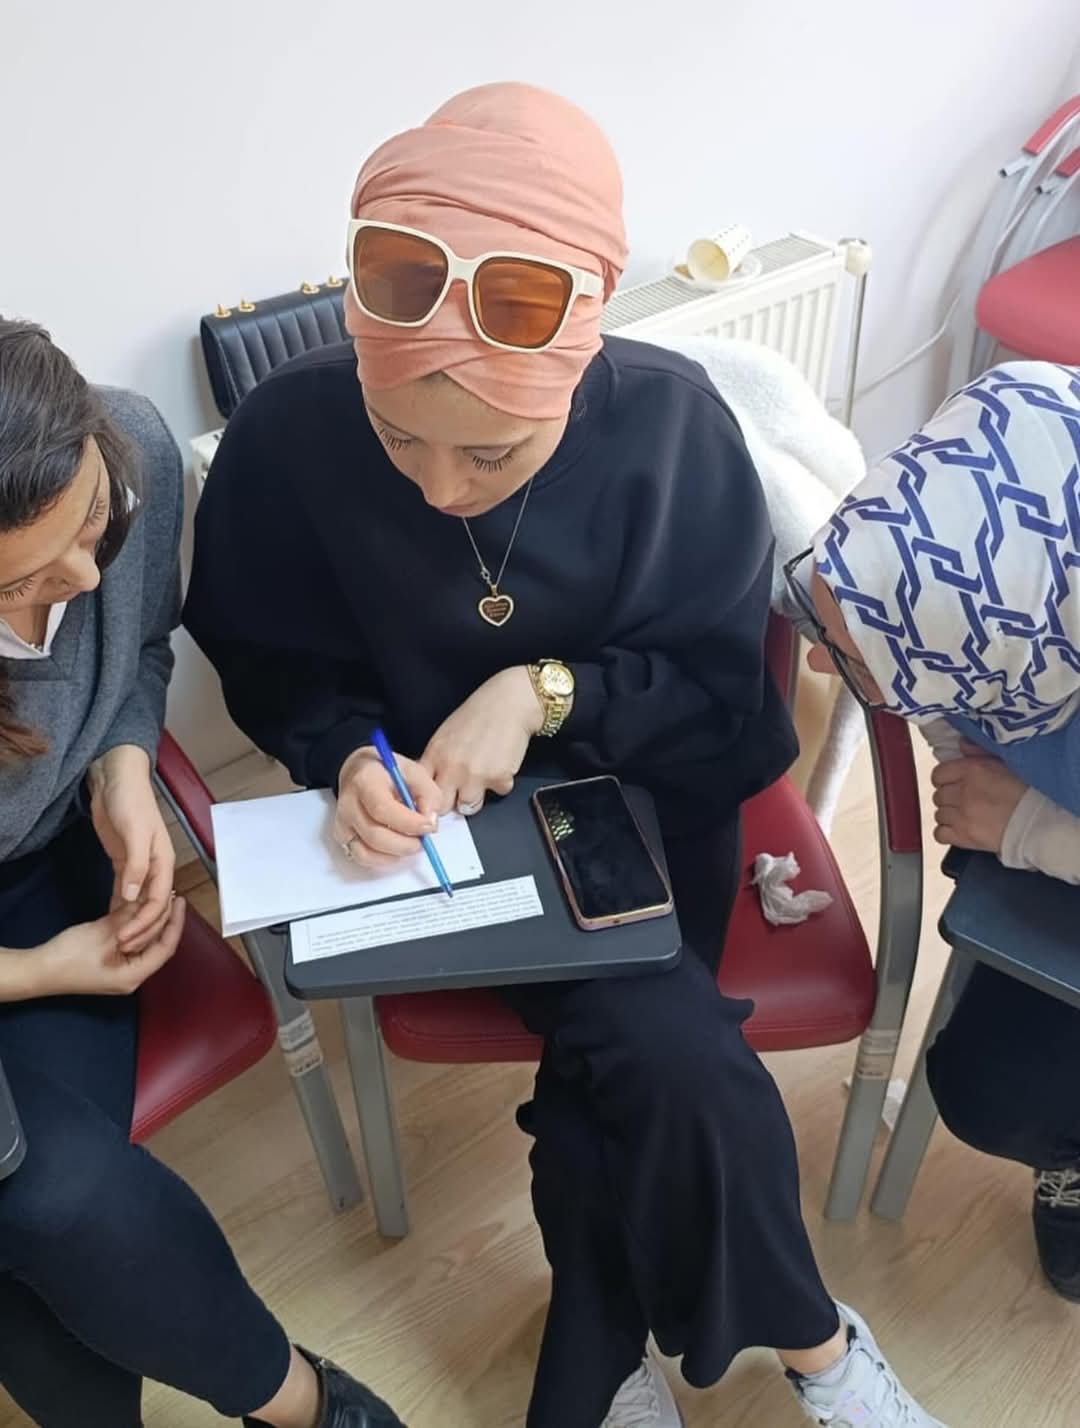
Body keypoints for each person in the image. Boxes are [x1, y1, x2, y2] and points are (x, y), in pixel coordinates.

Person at [185, 82, 943, 1428]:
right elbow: (274, 660)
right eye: (399, 438)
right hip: (431, 835)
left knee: (631, 1040)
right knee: (656, 1045)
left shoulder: (673, 431)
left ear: (577, 366)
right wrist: (351, 756)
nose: (437, 488)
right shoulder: (289, 433)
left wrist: (542, 694)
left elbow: (724, 708)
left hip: (643, 804)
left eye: (491, 453)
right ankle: (815, 1346)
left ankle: (604, 1364)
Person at [0, 320, 405, 1428]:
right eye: (23, 580)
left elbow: (137, 651)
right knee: (39, 1208)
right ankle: (313, 1407)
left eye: (92, 524)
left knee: (46, 1208)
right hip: (35, 949)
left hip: (48, 878)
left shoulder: (128, 443)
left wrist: (123, 770)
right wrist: (43, 972)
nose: (83, 577)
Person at [786, 359, 1080, 1303]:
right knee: (989, 1085)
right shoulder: (1009, 530)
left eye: (854, 659)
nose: (825, 670)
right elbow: (945, 699)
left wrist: (1027, 827)